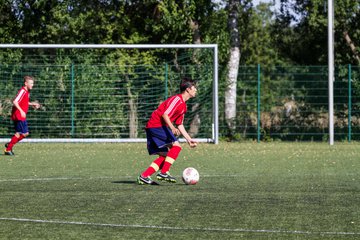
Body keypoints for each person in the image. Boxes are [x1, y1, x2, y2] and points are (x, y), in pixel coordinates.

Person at [137, 77, 198, 185]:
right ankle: (164, 172)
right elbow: (165, 114)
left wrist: (189, 139)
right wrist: (172, 127)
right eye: (194, 88)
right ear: (188, 89)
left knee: (164, 156)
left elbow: (180, 124)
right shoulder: (177, 100)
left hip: (155, 126)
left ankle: (144, 176)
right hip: (157, 125)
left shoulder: (183, 106)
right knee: (176, 146)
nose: (196, 90)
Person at [4, 76, 40, 155]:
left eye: (33, 83)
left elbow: (23, 102)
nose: (32, 85)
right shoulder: (23, 91)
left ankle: (9, 145)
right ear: (25, 83)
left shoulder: (26, 92)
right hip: (19, 115)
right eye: (31, 83)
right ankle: (8, 148)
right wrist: (21, 111)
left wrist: (31, 104)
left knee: (19, 133)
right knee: (24, 133)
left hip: (18, 115)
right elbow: (15, 101)